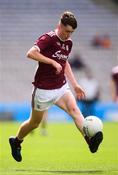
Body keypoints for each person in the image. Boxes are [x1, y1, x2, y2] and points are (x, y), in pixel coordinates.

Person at [9, 11, 103, 162]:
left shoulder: (69, 43)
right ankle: (16, 141)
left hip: (61, 87)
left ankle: (90, 141)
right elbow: (30, 53)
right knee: (34, 123)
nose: (68, 35)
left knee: (75, 112)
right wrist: (52, 62)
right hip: (43, 90)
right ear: (59, 25)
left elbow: (65, 63)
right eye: (66, 31)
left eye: (72, 32)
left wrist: (75, 84)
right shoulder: (48, 38)